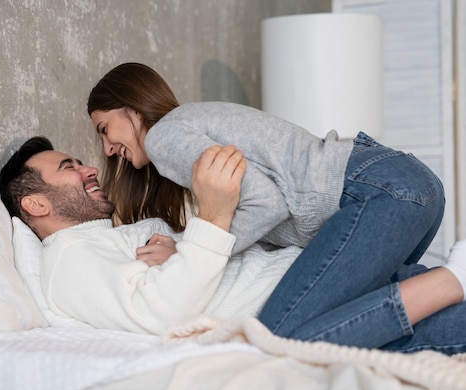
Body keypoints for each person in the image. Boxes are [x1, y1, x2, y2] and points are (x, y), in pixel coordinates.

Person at [86, 62, 466, 349]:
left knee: (279, 337)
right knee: (364, 323)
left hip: (375, 191)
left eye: (105, 129)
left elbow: (266, 202)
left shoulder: (163, 138)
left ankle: (456, 276)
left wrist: (190, 250)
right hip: (403, 183)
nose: (107, 149)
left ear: (132, 107)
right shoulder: (189, 123)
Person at [0, 136, 466, 355]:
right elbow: (163, 313)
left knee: (286, 346)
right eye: (68, 168)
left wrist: (184, 248)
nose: (88, 169)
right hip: (322, 299)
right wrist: (213, 218)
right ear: (36, 204)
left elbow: (188, 277)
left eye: (81, 161)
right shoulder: (69, 260)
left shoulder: (115, 237)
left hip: (316, 286)